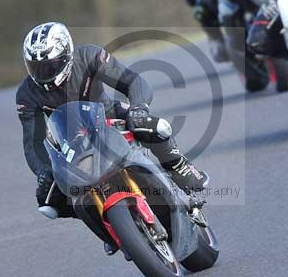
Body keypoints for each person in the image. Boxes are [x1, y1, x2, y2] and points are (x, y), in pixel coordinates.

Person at [16, 22, 209, 223]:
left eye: (51, 65)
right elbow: (33, 142)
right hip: (72, 143)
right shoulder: (26, 95)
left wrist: (138, 108)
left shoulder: (89, 56)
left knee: (152, 126)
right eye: (36, 67)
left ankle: (178, 166)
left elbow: (132, 81)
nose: (44, 73)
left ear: (67, 56)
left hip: (109, 116)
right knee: (48, 200)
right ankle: (108, 222)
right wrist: (43, 171)